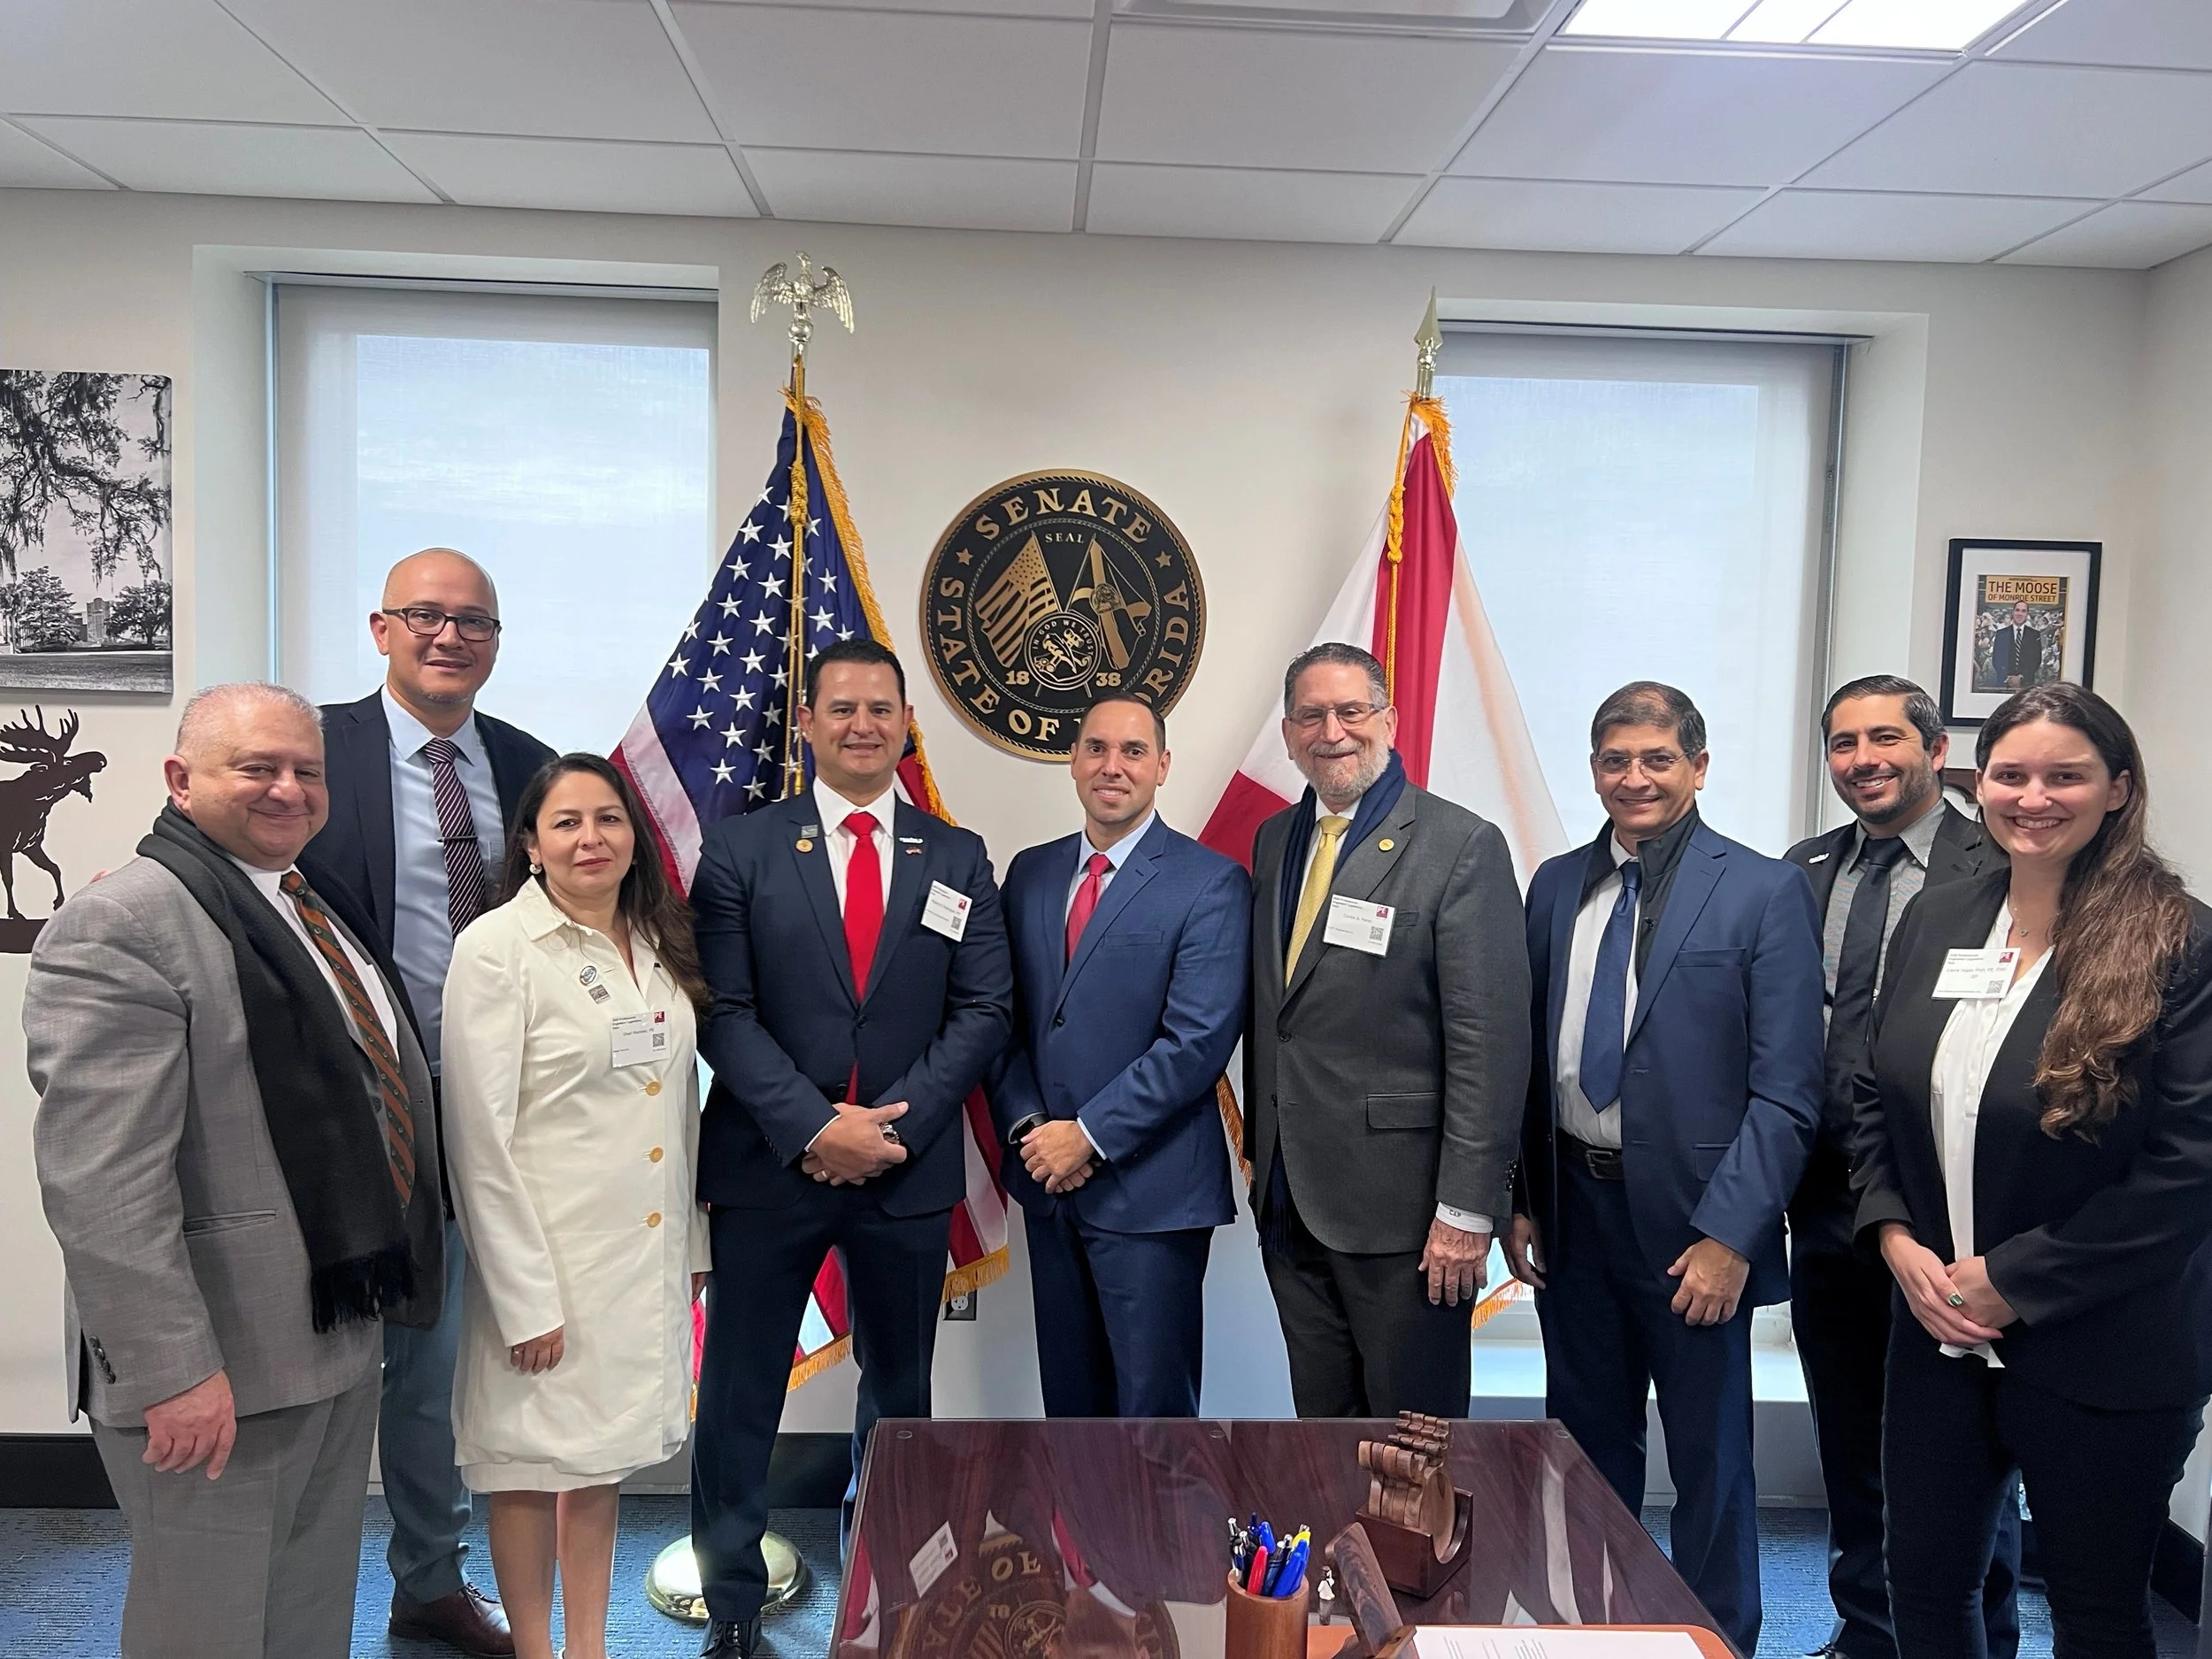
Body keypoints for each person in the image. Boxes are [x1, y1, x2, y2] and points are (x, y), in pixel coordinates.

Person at [27, 683, 445, 1659]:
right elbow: (101, 1186)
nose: (287, 789)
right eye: (255, 767)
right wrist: (174, 1371)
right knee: (203, 1630)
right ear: (180, 780)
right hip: (212, 1366)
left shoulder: (309, 903)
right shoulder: (123, 923)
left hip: (327, 1339)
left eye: (306, 770)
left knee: (302, 1620)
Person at [1852, 682, 2212, 1659]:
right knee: (1923, 1592)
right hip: (1932, 1331)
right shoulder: (1936, 919)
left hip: (2104, 1347)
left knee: (2095, 1616)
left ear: (2117, 790)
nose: (2033, 797)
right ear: (1978, 784)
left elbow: (2189, 1170)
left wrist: (2009, 1282)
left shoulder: (2179, 940)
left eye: (2066, 776)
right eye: (2009, 774)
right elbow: (1876, 1098)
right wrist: (1894, 1241)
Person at [687, 638, 1013, 1659]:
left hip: (905, 1175)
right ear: (810, 724)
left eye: (882, 708)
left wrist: (889, 1130)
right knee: (741, 1392)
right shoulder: (740, 851)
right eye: (842, 708)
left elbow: (983, 1008)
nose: (863, 725)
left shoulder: (954, 856)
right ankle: (732, 1602)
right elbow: (724, 1013)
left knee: (900, 1398)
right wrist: (815, 1127)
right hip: (767, 1167)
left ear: (905, 722)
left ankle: (887, 1591)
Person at [1508, 680, 1824, 1657]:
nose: (1633, 778)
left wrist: (1732, 1235)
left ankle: (1713, 1637)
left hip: (1697, 1229)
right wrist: (1519, 1199)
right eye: (1614, 760)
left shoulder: (1764, 889)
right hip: (1573, 1213)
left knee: (1711, 1462)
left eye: (1655, 759)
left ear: (1697, 766)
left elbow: (1786, 1091)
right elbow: (1527, 1056)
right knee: (1585, 1453)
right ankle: (1592, 1631)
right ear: (1593, 767)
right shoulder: (1556, 883)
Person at [298, 547, 552, 1656]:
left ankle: (431, 1581)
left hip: (504, 1105)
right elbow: (234, 865)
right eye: (425, 616)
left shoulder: (532, 765)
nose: (449, 637)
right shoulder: (313, 749)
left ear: (497, 641)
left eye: (474, 623)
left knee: (458, 1350)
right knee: (371, 1352)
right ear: (379, 628)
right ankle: (357, 1578)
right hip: (352, 1102)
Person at [441, 755, 711, 1659]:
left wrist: (692, 1244)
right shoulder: (496, 951)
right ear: (529, 844)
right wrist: (525, 1300)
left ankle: (587, 1648)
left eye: (607, 819)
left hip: (639, 1257)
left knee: (597, 1466)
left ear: (635, 837)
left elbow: (676, 1106)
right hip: (547, 1264)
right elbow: (479, 1140)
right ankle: (533, 1649)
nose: (589, 838)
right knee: (524, 1469)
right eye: (565, 823)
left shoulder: (657, 943)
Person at [1784, 675, 2020, 1659]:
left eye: (1885, 738)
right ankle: (1865, 1631)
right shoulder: (1803, 870)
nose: (1863, 760)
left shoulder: (2004, 859)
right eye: (1843, 744)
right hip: (1828, 1200)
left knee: (1963, 1448)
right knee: (1848, 1434)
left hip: (1947, 1209)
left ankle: (1982, 1634)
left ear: (1933, 747)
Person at [1244, 641, 1530, 1419]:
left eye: (1351, 710)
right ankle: (1344, 1552)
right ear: (1290, 730)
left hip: (1411, 1217)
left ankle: (1416, 1554)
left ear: (1389, 721)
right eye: (1311, 715)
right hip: (1293, 1201)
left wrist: (1468, 1210)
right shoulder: (1276, 840)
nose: (1331, 730)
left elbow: (1490, 1045)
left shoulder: (1459, 845)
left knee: (1414, 1446)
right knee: (1324, 1431)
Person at [988, 693, 1250, 1417]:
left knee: (1152, 1418)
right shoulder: (1031, 874)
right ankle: (1077, 1539)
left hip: (1153, 1195)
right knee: (1070, 1412)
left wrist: (1087, 1136)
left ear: (1162, 766)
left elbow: (1195, 1043)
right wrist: (1031, 1130)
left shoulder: (1211, 882)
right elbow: (1000, 1021)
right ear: (1072, 760)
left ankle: (1156, 1540)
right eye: (1096, 747)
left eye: (1134, 751)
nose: (1113, 766)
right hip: (1047, 1183)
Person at [1990, 601, 2045, 690]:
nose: (2020, 614)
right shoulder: (2001, 634)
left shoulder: (2034, 635)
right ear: (2013, 612)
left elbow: (2036, 660)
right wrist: (2009, 678)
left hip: (2026, 684)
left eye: (2023, 611)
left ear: (2027, 614)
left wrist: (2020, 677)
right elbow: (1996, 659)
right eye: (2017, 610)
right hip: (2005, 683)